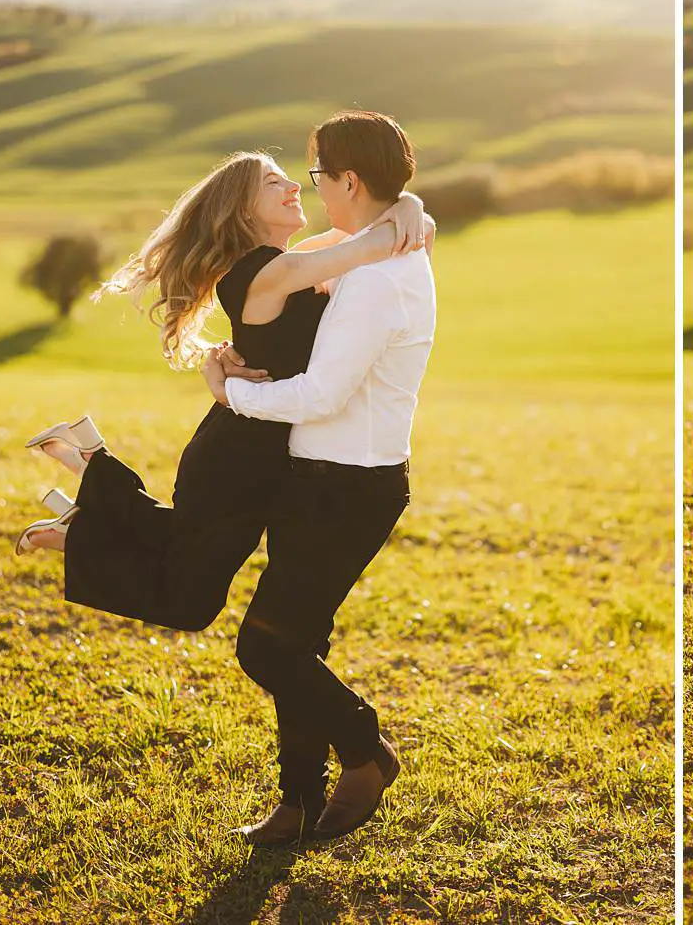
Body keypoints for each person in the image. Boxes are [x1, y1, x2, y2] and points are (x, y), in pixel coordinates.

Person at [197, 110, 436, 844]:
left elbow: (320, 396)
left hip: (348, 487)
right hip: (323, 481)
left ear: (349, 181)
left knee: (265, 648)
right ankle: (296, 802)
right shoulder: (377, 258)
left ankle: (365, 751)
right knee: (300, 643)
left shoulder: (375, 283)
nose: (316, 192)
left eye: (319, 178)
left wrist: (227, 392)